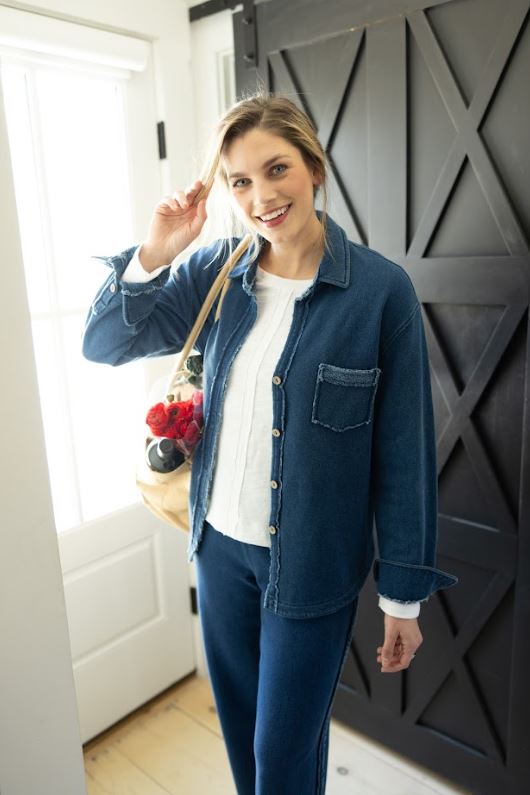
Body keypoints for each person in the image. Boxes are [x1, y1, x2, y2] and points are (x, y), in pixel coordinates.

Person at [82, 91, 458, 795]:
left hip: (313, 567)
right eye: (240, 181)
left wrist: (402, 599)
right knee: (243, 746)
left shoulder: (381, 293)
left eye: (276, 169)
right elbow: (104, 343)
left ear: (314, 167)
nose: (261, 196)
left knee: (282, 760)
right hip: (218, 551)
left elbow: (405, 455)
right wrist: (158, 250)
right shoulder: (218, 273)